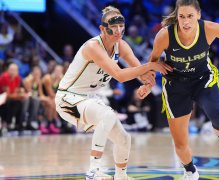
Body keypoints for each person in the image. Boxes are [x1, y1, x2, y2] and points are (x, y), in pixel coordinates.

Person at [137, 0, 219, 179]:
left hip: (203, 78)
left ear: (198, 15)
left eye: (190, 16)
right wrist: (148, 83)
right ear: (177, 16)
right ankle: (190, 171)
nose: (186, 21)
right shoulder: (164, 35)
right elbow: (152, 62)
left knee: (215, 112)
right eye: (181, 16)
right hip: (175, 84)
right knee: (180, 143)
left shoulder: (209, 29)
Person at [55, 6, 171, 180]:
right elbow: (120, 75)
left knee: (124, 139)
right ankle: (94, 171)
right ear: (102, 28)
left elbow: (139, 71)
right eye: (113, 27)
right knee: (108, 116)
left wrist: (147, 82)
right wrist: (150, 66)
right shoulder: (93, 47)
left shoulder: (121, 45)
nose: (118, 31)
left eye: (120, 27)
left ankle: (121, 175)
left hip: (90, 99)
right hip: (68, 98)